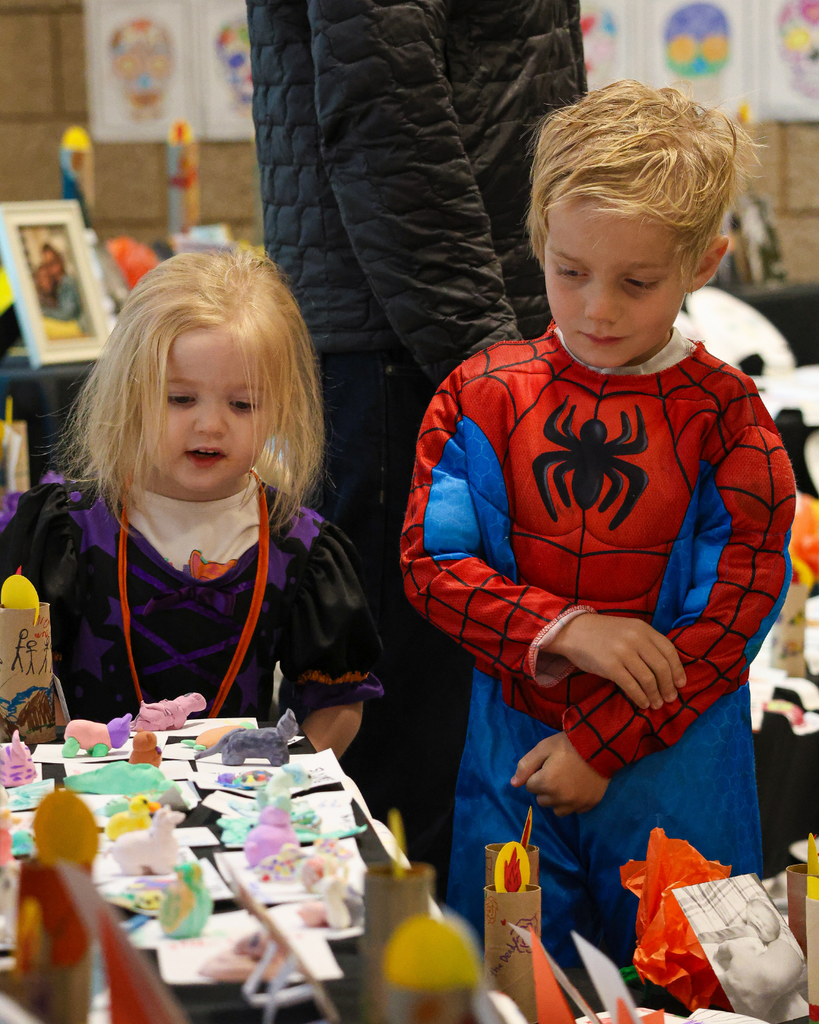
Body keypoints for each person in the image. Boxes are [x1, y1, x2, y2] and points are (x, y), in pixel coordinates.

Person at [401, 81, 796, 962]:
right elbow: (434, 565)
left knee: (689, 993)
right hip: (514, 775)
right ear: (538, 240)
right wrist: (568, 629)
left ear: (703, 263)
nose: (596, 309)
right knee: (514, 986)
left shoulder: (731, 422)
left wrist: (601, 746)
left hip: (676, 786)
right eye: (569, 271)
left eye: (637, 281)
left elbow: (728, 619)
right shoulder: (481, 395)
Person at [248, 0, 586, 893]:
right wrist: (486, 356)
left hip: (429, 332)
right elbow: (382, 106)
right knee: (403, 753)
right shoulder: (468, 363)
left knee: (439, 733)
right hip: (413, 339)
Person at [0, 249, 382, 756]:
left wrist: (286, 771)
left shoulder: (300, 546)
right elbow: (17, 694)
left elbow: (338, 701)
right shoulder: (66, 531)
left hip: (235, 813)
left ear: (280, 408)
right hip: (88, 806)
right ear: (130, 393)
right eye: (181, 399)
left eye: (242, 403)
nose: (210, 424)